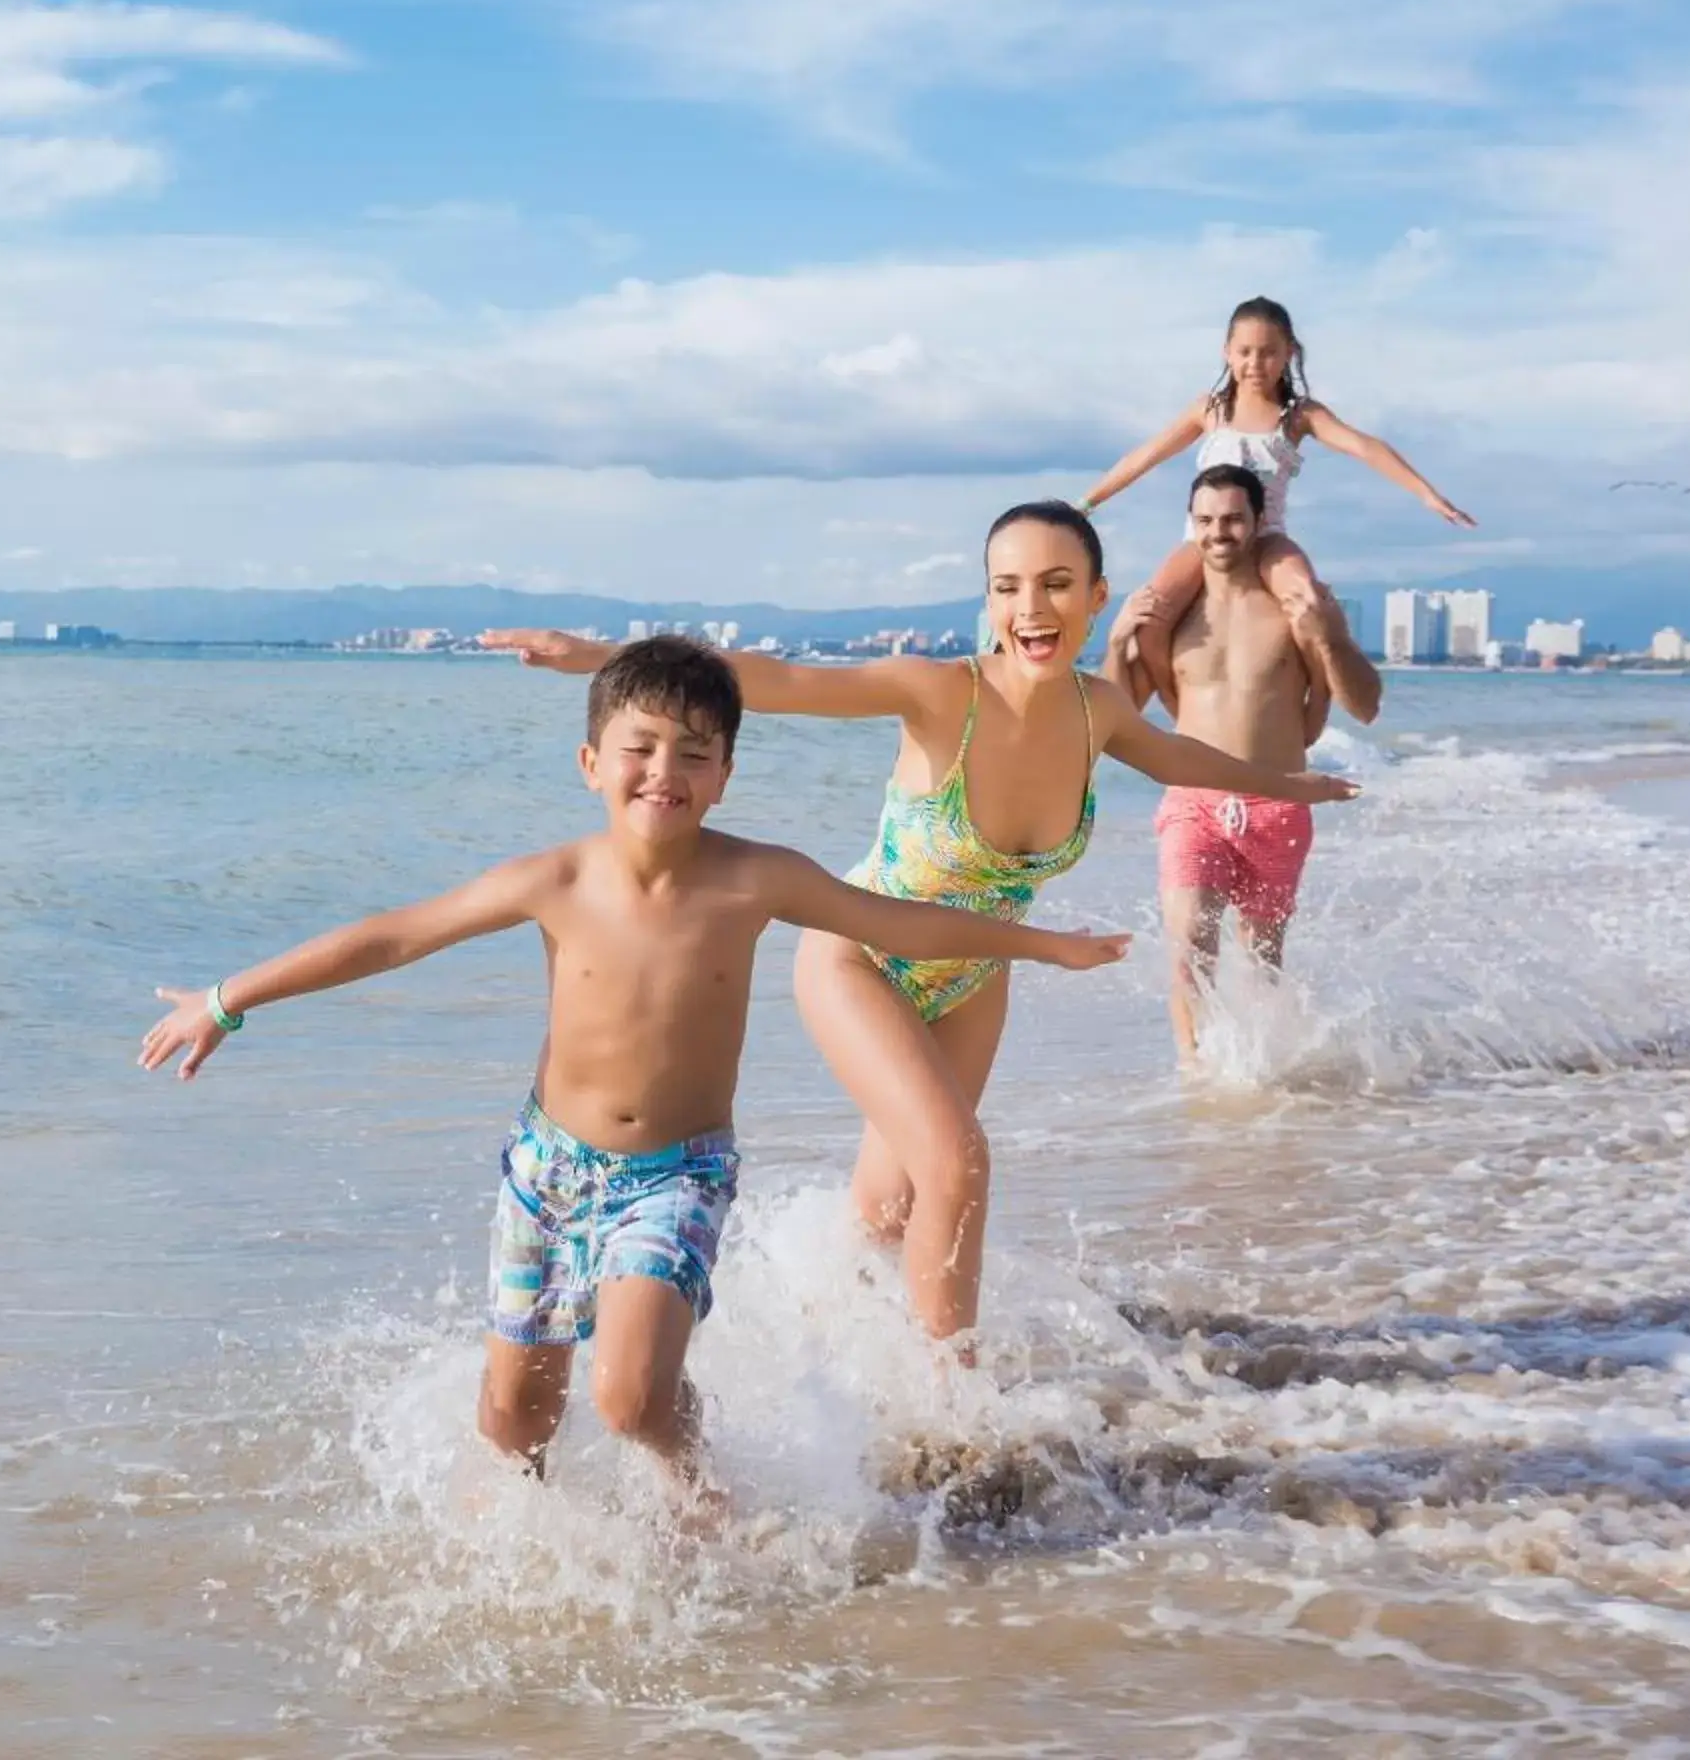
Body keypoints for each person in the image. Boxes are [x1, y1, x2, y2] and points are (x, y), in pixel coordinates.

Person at [137, 637, 1129, 1511]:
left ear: (727, 772)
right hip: (547, 1170)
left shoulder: (757, 877)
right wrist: (229, 998)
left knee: (628, 1399)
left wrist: (1037, 942)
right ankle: (538, 1551)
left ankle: (699, 1488)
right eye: (641, 747)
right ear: (590, 763)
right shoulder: (556, 881)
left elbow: (898, 922)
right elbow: (395, 937)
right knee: (515, 1423)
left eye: (695, 752)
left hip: (679, 1173)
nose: (666, 771)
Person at [486, 503, 1356, 1349]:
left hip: (974, 974)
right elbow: (779, 679)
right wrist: (603, 658)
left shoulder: (1101, 712)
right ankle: (953, 1400)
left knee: (887, 1212)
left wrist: (1291, 784)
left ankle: (820, 1345)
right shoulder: (942, 693)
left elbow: (1179, 758)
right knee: (959, 1162)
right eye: (1008, 586)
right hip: (859, 958)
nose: (1030, 609)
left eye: (1057, 584)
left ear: (1098, 597)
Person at [1081, 295, 1472, 714]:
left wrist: (1426, 493)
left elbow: (1364, 447)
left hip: (1267, 537)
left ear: (1289, 353)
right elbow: (1146, 455)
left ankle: (1316, 701)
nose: (1255, 364)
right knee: (1149, 616)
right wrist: (1088, 502)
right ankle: (1172, 701)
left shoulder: (1298, 415)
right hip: (1202, 539)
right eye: (1245, 352)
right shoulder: (1210, 410)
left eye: (1268, 353)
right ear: (1226, 352)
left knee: (1307, 599)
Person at [1112, 465, 1381, 1062]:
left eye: (1233, 518)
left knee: (1261, 960)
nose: (1218, 533)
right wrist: (1116, 642)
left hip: (1278, 804)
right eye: (1205, 521)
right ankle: (1197, 1078)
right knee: (1188, 949)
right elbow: (1119, 715)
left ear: (1259, 522)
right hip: (1195, 803)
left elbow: (1366, 706)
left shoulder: (1293, 611)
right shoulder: (1174, 618)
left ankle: (1260, 1082)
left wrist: (1332, 636)